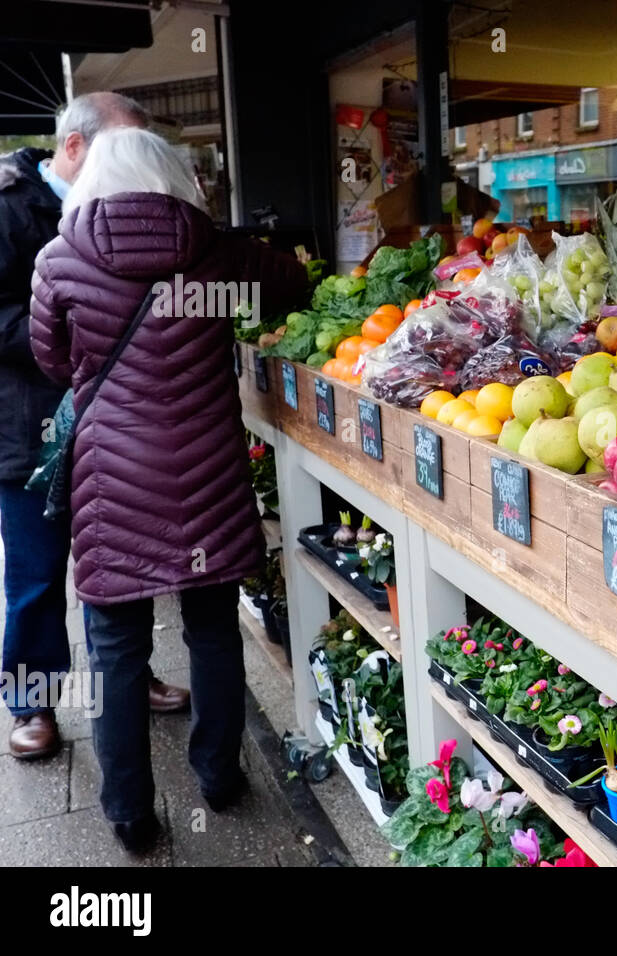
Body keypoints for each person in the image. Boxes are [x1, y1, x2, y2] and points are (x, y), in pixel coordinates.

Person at [29, 127, 306, 852]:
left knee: (116, 651)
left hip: (110, 480)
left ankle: (128, 813)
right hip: (209, 470)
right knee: (212, 630)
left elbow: (53, 361)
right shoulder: (216, 254)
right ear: (174, 180)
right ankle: (218, 775)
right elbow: (292, 281)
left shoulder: (58, 260)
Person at [0, 92, 190, 762]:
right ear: (75, 147)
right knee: (34, 577)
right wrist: (78, 329)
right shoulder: (6, 204)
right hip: (32, 430)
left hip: (116, 427)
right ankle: (31, 702)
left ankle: (131, 680)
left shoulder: (127, 202)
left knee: (125, 567)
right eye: (120, 148)